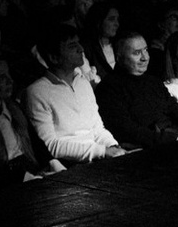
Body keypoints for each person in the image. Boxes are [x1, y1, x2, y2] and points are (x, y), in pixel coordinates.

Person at [22, 20, 123, 163]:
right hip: (70, 165)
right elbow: (50, 145)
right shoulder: (37, 92)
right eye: (72, 46)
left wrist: (113, 146)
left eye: (78, 43)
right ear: (54, 57)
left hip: (98, 157)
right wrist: (101, 151)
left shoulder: (83, 83)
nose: (81, 49)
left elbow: (97, 129)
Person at [95, 34, 178, 147]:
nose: (145, 57)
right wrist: (174, 140)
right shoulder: (108, 88)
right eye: (137, 53)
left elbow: (175, 108)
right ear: (119, 57)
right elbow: (126, 130)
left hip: (175, 137)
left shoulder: (152, 81)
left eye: (146, 50)